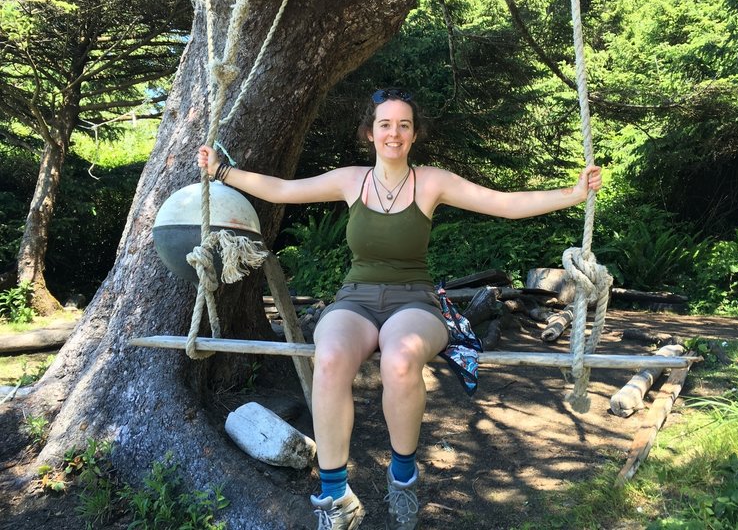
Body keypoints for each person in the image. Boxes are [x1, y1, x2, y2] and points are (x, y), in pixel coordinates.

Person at [197, 87, 602, 530]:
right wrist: (223, 171)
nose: (394, 133)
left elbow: (503, 204)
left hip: (414, 299)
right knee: (328, 358)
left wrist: (573, 193)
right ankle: (336, 497)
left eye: (403, 125)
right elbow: (279, 190)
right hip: (356, 298)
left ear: (413, 135)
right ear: (370, 133)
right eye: (385, 124)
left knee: (400, 357)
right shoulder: (351, 180)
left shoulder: (432, 181)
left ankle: (403, 476)